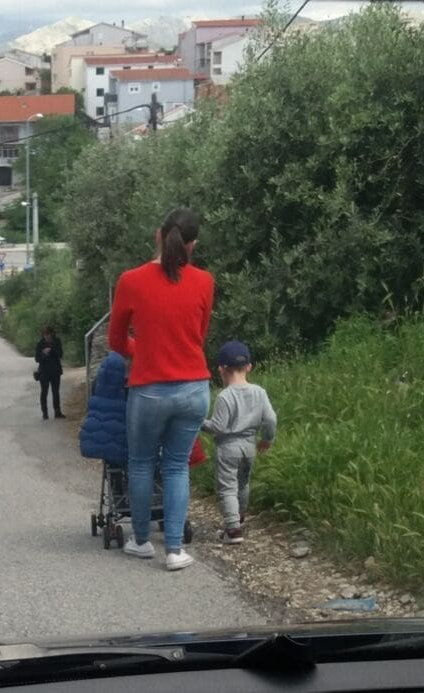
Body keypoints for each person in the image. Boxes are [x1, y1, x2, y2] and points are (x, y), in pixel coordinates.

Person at [108, 208, 214, 572]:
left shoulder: (131, 280)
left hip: (149, 389)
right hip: (194, 388)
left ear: (158, 235)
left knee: (140, 464)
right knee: (176, 466)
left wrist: (143, 352)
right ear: (193, 245)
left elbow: (116, 340)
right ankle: (174, 550)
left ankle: (140, 542)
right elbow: (198, 336)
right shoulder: (204, 281)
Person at [201, 340, 277, 545]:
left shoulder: (224, 396)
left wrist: (200, 422)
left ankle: (233, 529)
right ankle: (240, 516)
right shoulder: (259, 392)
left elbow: (218, 426)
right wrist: (267, 440)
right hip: (250, 447)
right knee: (243, 483)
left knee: (227, 487)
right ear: (249, 366)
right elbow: (270, 419)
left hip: (228, 448)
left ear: (221, 369)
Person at [35, 326, 66, 419]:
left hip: (55, 370)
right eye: (45, 334)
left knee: (55, 392)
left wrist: (52, 350)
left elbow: (60, 354)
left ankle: (57, 411)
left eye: (48, 334)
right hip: (44, 371)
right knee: (44, 392)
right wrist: (43, 354)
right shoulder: (40, 343)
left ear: (52, 334)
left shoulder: (57, 341)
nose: (47, 336)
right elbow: (37, 359)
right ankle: (45, 412)